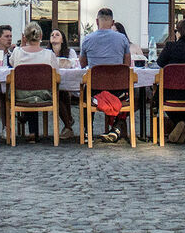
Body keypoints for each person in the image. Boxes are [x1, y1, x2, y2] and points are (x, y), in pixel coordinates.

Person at [79, 8, 132, 143]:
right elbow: (127, 65)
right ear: (112, 22)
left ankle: (86, 130)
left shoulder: (87, 39)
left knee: (85, 92)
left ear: (97, 21)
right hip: (118, 91)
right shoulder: (123, 39)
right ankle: (118, 126)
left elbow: (82, 64)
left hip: (95, 91)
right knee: (132, 93)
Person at [9, 23, 59, 142]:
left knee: (28, 90)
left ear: (25, 37)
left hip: (21, 95)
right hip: (43, 95)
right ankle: (33, 132)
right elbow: (57, 75)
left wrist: (22, 45)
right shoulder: (49, 54)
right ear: (41, 36)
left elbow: (12, 64)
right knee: (36, 90)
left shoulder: (17, 52)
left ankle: (29, 130)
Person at [45, 28, 77, 138]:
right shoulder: (46, 53)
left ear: (62, 40)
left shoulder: (70, 52)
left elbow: (74, 65)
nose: (54, 36)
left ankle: (68, 123)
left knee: (62, 92)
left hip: (66, 81)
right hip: (50, 84)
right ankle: (68, 123)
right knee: (58, 93)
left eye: (57, 34)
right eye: (52, 34)